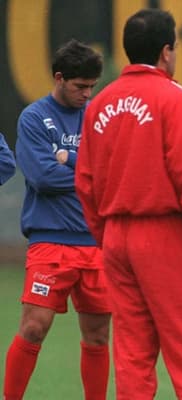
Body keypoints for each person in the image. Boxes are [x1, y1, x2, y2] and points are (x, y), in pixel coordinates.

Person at [75, 8, 182, 399]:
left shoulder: (99, 103)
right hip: (166, 235)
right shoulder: (174, 99)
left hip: (116, 237)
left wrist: (105, 234)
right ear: (166, 52)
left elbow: (86, 181)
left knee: (132, 351)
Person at [4, 39, 110, 400]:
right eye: (81, 86)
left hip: (96, 243)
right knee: (34, 327)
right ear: (59, 78)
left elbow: (114, 172)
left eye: (92, 87)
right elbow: (43, 178)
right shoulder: (34, 117)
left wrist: (68, 159)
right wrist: (90, 171)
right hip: (50, 242)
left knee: (97, 335)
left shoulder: (99, 116)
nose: (87, 94)